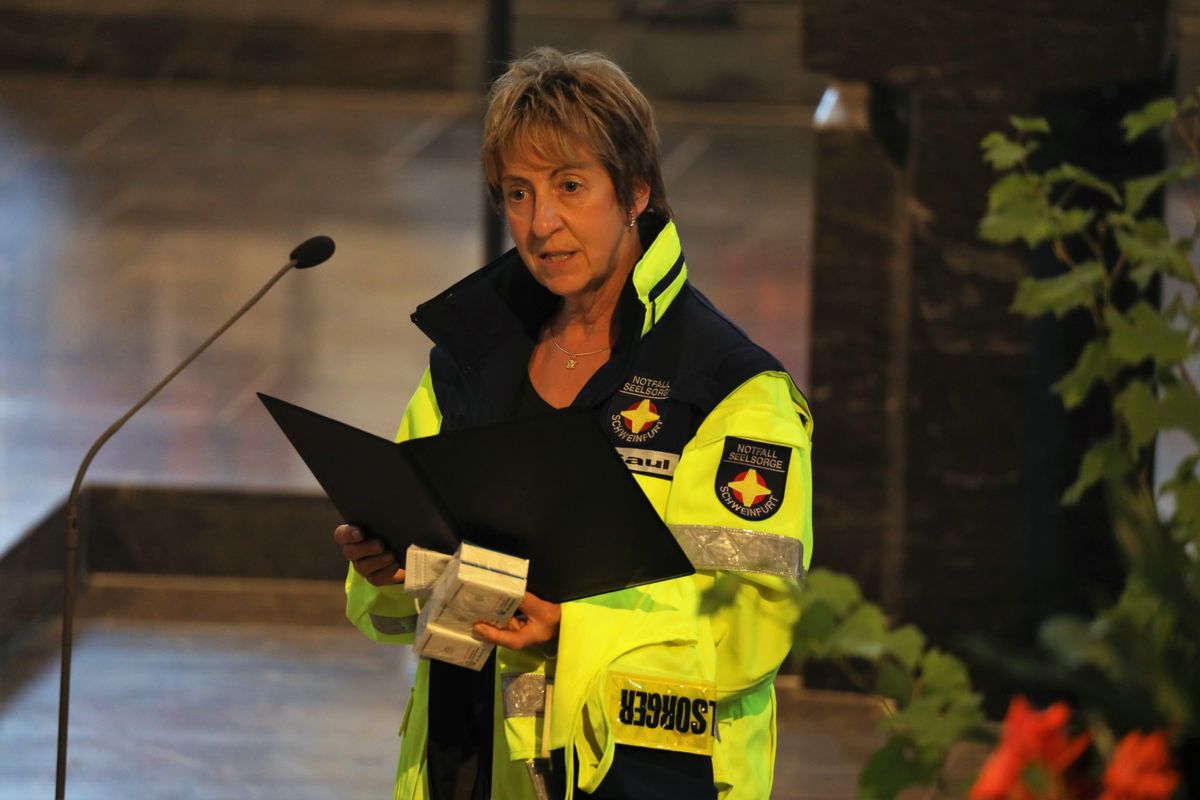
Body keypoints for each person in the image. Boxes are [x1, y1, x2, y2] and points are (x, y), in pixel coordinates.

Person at [332, 47, 813, 800]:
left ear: (636, 192)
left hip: (644, 779)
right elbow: (395, 605)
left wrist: (572, 624)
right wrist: (391, 570)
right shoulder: (468, 359)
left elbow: (752, 620)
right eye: (518, 193)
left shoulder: (730, 388)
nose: (541, 223)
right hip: (467, 762)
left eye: (570, 186)